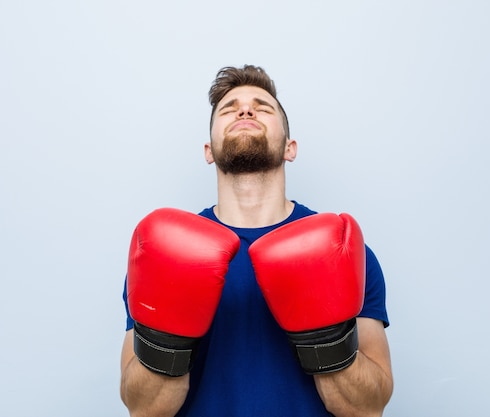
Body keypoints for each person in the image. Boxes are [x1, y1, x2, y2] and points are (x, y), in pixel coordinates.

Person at [119, 65, 393, 417]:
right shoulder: (163, 252)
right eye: (229, 108)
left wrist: (327, 340)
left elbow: (367, 408)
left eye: (263, 107)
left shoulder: (344, 251)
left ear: (290, 148)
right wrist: (165, 345)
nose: (245, 110)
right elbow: (144, 409)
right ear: (209, 151)